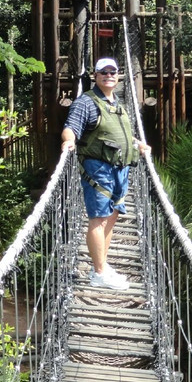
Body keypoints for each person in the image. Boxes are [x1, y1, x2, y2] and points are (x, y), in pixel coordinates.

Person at [61, 57, 151, 289]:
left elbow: (117, 133)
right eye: (104, 72)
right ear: (95, 75)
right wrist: (69, 142)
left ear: (119, 75)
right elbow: (71, 127)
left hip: (120, 168)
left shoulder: (116, 102)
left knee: (112, 215)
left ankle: (101, 264)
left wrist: (138, 144)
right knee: (99, 219)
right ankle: (99, 273)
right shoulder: (86, 102)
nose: (109, 75)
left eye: (113, 72)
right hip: (98, 168)